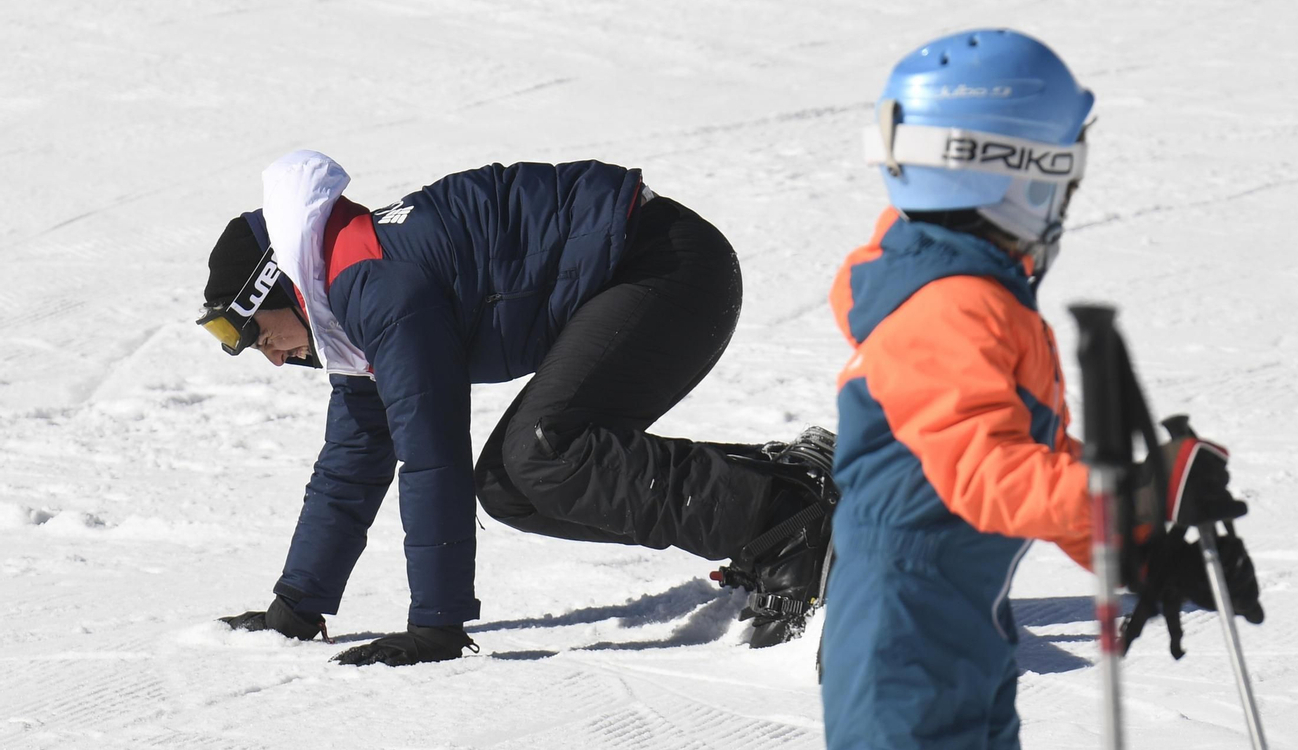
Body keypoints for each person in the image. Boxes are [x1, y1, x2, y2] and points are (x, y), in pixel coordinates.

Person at [777, 30, 1264, 750]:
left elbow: (1036, 457)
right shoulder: (946, 306)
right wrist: (1128, 499)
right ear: (1010, 170)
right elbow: (986, 475)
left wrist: (1141, 538)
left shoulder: (981, 296)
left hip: (962, 637)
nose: (1061, 205)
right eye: (1058, 180)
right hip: (902, 646)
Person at [198, 150, 835, 665]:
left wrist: (436, 628)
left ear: (277, 285)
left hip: (666, 269)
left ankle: (785, 521)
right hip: (651, 273)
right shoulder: (351, 293)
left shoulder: (376, 285)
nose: (270, 357)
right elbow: (355, 458)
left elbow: (431, 456)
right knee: (511, 487)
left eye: (250, 333)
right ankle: (774, 485)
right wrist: (296, 608)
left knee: (541, 454)